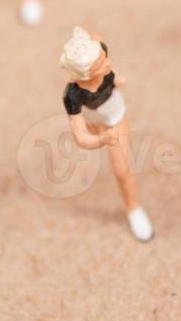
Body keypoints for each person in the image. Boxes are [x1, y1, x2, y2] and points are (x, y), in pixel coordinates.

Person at [59, 28, 153, 242]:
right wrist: (101, 140)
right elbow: (80, 136)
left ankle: (133, 208)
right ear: (84, 74)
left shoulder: (99, 52)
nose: (108, 65)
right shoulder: (73, 95)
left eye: (104, 59)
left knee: (121, 170)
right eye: (100, 65)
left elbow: (98, 38)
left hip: (115, 117)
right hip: (95, 125)